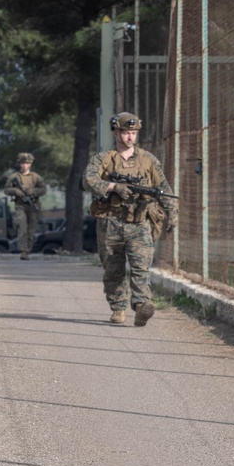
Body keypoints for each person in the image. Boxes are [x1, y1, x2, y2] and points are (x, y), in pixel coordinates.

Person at [83, 112, 177, 327]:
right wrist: (113, 187)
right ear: (116, 133)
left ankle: (142, 304)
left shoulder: (148, 160)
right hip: (110, 222)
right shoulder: (103, 159)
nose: (130, 137)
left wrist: (172, 212)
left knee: (140, 267)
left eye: (133, 133)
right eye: (126, 133)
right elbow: (88, 180)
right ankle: (118, 307)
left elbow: (163, 188)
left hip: (139, 222)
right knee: (113, 269)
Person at [4, 152, 47, 260]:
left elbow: (43, 189)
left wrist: (33, 191)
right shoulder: (14, 177)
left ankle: (28, 249)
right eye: (22, 163)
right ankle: (23, 251)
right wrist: (15, 191)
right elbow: (6, 190)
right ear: (19, 164)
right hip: (20, 206)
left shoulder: (36, 177)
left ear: (30, 164)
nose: (24, 165)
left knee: (31, 230)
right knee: (22, 227)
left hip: (33, 206)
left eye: (26, 163)